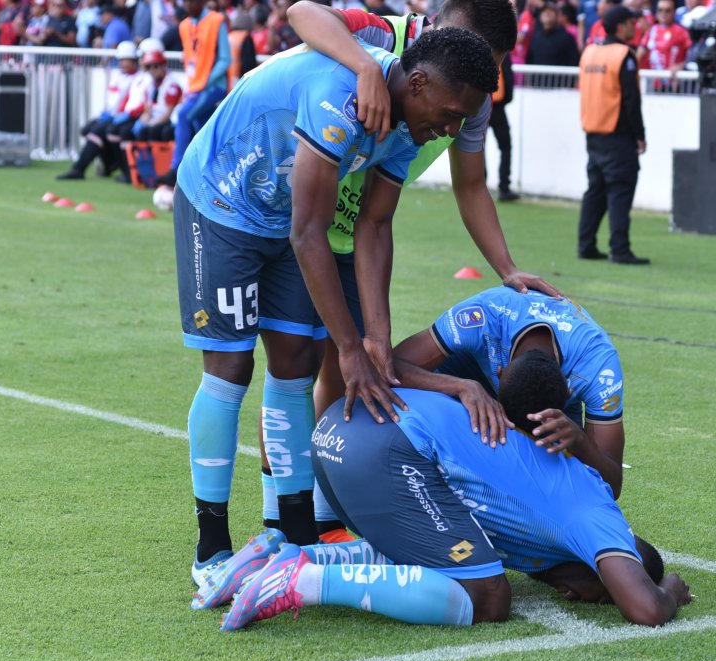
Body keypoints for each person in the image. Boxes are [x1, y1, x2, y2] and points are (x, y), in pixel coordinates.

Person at [174, 27, 499, 584]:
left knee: (296, 361)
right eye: (449, 114)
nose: (450, 130)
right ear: (418, 83)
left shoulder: (408, 124)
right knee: (231, 367)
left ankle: (296, 534)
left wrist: (376, 337)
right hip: (222, 201)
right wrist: (349, 349)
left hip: (284, 217)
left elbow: (374, 225)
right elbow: (310, 233)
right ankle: (212, 549)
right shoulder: (343, 99)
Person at [277, 0, 559, 541]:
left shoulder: (472, 96)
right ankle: (282, 517)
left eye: (494, 64)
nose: (484, 75)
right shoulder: (383, 40)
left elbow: (470, 184)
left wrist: (506, 268)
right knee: (293, 365)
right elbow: (303, 11)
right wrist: (363, 66)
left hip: (359, 230)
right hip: (302, 216)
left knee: (344, 368)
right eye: (480, 56)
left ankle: (326, 512)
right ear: (442, 32)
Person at [218, 380, 691, 630]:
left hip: (340, 432)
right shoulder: (598, 517)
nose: (581, 597)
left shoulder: (544, 528)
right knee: (487, 596)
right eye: (604, 590)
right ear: (610, 561)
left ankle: (284, 556)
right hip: (383, 443)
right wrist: (668, 589)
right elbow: (646, 609)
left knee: (447, 555)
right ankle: (303, 580)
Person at [392, 286, 627, 495]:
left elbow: (613, 485)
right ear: (499, 372)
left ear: (568, 393)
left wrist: (579, 441)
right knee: (398, 394)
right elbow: (387, 370)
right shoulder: (484, 314)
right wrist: (461, 386)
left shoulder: (599, 366)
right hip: (474, 365)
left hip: (550, 397)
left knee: (574, 484)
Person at [577, 6, 648, 265]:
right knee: (620, 190)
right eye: (631, 22)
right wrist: (640, 135)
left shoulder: (589, 52)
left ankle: (586, 245)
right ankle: (620, 249)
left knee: (595, 190)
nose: (634, 26)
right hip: (617, 134)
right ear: (621, 26)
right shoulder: (623, 55)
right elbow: (631, 101)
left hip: (593, 131)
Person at [156, 0, 229, 188]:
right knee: (203, 127)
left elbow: (225, 59)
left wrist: (206, 81)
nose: (188, 5)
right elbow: (190, 58)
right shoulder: (184, 26)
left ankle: (176, 169)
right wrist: (193, 84)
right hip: (195, 87)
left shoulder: (216, 20)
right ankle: (212, 173)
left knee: (183, 115)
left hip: (213, 86)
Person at [57, 40, 142, 180]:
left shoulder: (139, 78)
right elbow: (111, 100)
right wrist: (106, 112)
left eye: (126, 60)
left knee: (98, 131)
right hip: (113, 116)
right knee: (87, 129)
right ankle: (108, 164)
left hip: (125, 117)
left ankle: (79, 168)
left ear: (134, 61)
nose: (123, 64)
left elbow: (135, 103)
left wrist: (119, 114)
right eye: (121, 60)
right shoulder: (118, 77)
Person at [129, 41, 183, 142]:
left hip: (166, 121)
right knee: (135, 131)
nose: (152, 70)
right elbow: (147, 110)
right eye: (148, 67)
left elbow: (167, 114)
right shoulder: (149, 85)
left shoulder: (171, 86)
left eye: (155, 66)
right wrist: (144, 121)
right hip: (153, 119)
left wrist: (151, 124)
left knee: (153, 131)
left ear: (163, 65)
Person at [527, 1, 578, 86]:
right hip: (536, 87)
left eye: (551, 11)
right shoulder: (535, 37)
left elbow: (573, 62)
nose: (547, 13)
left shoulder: (567, 38)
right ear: (540, 16)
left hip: (560, 88)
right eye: (544, 11)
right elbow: (529, 60)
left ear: (557, 16)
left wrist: (569, 86)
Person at [490, 51, 516, 202]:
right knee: (505, 146)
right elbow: (509, 78)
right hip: (497, 107)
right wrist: (506, 100)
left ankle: (479, 185)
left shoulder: (476, 46)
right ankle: (504, 188)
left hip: (479, 106)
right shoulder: (501, 51)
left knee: (477, 147)